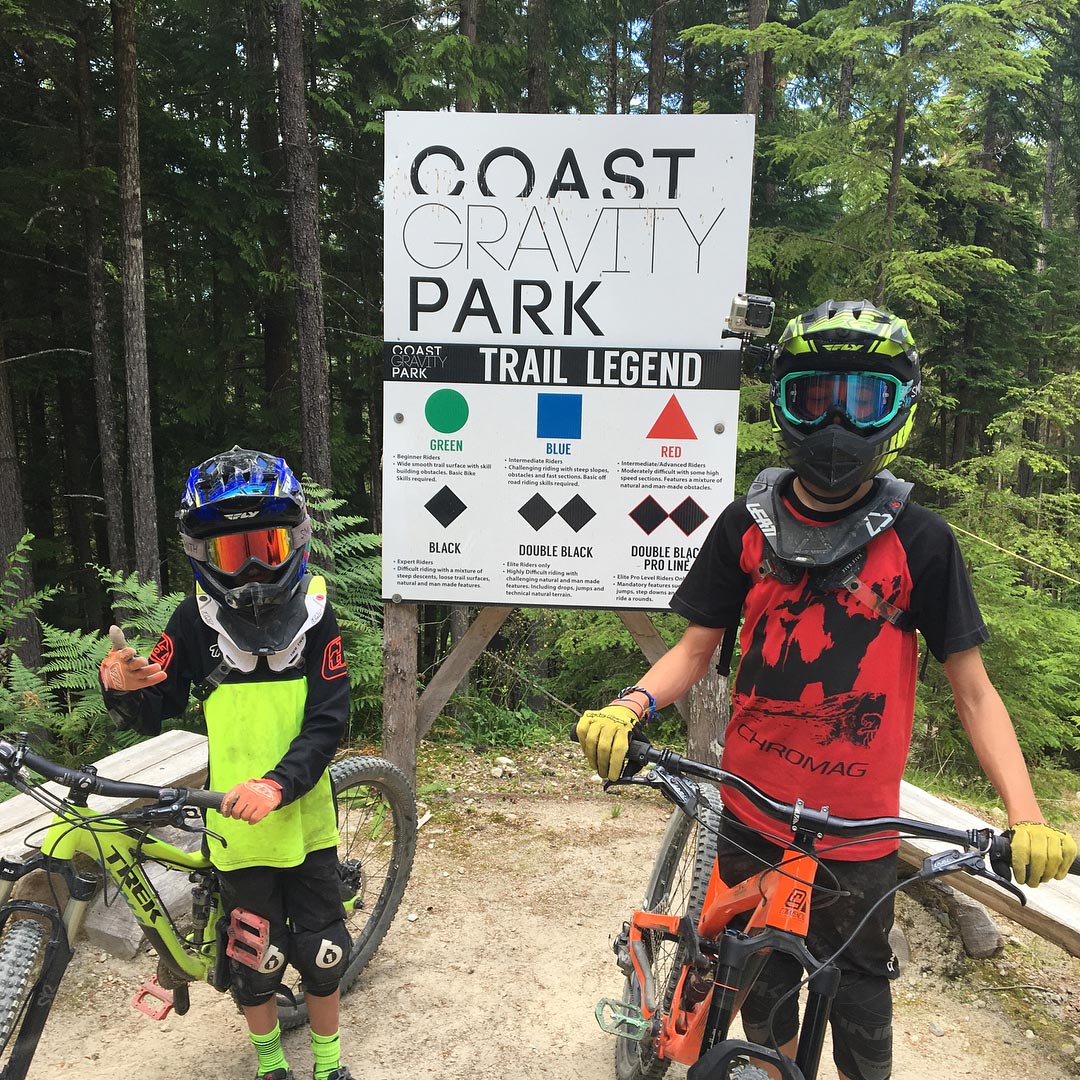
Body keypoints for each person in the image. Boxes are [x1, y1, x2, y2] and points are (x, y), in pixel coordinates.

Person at [576, 300, 1078, 1080]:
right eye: (816, 397)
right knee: (763, 989)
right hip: (750, 806)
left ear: (900, 409)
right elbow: (696, 649)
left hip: (861, 834)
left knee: (859, 1010)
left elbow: (975, 694)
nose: (837, 422)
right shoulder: (745, 525)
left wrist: (1028, 814)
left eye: (864, 398)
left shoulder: (923, 542)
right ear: (782, 402)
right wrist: (629, 704)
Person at [99, 447, 354, 1080]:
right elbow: (156, 698)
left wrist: (277, 784)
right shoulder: (195, 620)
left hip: (307, 823)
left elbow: (330, 721)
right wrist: (121, 685)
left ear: (292, 538)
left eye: (266, 544)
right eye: (234, 553)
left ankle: (329, 1066)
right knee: (253, 958)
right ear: (204, 554)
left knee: (322, 952)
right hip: (234, 832)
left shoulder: (319, 619)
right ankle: (270, 1066)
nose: (255, 567)